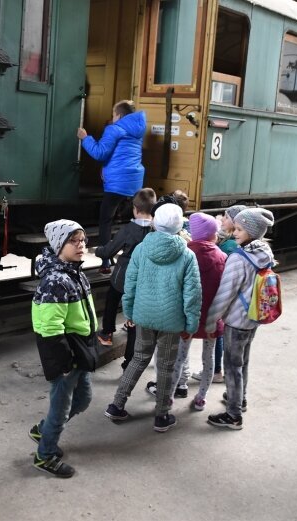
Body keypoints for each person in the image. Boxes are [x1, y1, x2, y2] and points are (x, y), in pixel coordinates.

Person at [104, 203, 201, 432]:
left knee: (138, 359)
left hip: (144, 316)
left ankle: (116, 405)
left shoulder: (140, 250)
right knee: (167, 367)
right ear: (180, 226)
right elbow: (193, 295)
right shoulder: (187, 255)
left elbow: (131, 285)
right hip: (171, 321)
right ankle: (162, 416)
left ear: (155, 223)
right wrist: (191, 323)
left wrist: (129, 312)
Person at [30, 220, 95, 478]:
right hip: (67, 354)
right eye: (74, 241)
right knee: (61, 407)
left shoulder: (72, 271)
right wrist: (65, 362)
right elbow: (49, 326)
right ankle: (44, 456)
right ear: (59, 244)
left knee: (83, 398)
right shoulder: (56, 281)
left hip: (79, 348)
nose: (81, 246)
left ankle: (41, 430)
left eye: (82, 240)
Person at [205, 208, 276, 430]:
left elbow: (225, 293)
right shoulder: (264, 252)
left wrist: (210, 320)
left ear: (252, 231)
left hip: (236, 321)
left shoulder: (239, 257)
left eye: (239, 229)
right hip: (254, 316)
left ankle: (233, 415)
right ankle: (240, 398)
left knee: (232, 365)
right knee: (242, 361)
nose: (235, 233)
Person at [78, 100, 147, 273]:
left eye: (114, 114)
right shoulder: (137, 130)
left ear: (120, 115)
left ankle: (105, 262)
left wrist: (85, 138)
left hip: (117, 183)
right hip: (135, 182)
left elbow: (100, 153)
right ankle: (133, 257)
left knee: (105, 220)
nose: (112, 118)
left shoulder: (114, 129)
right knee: (133, 219)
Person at [168, 213, 227, 411]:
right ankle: (201, 398)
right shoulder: (222, 257)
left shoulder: (185, 254)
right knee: (208, 358)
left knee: (180, 358)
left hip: (187, 318)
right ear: (212, 236)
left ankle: (169, 396)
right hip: (212, 318)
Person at [94, 188, 156, 371]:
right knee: (133, 319)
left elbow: (108, 251)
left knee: (112, 299)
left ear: (135, 209)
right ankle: (129, 361)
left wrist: (97, 250)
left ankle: (107, 333)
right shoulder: (156, 229)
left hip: (123, 276)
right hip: (144, 279)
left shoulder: (129, 230)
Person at [192, 204, 246, 384]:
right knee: (216, 334)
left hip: (221, 301)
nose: (222, 219)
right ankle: (215, 371)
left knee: (216, 334)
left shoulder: (228, 246)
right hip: (221, 301)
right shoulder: (228, 242)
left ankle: (216, 371)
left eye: (226, 216)